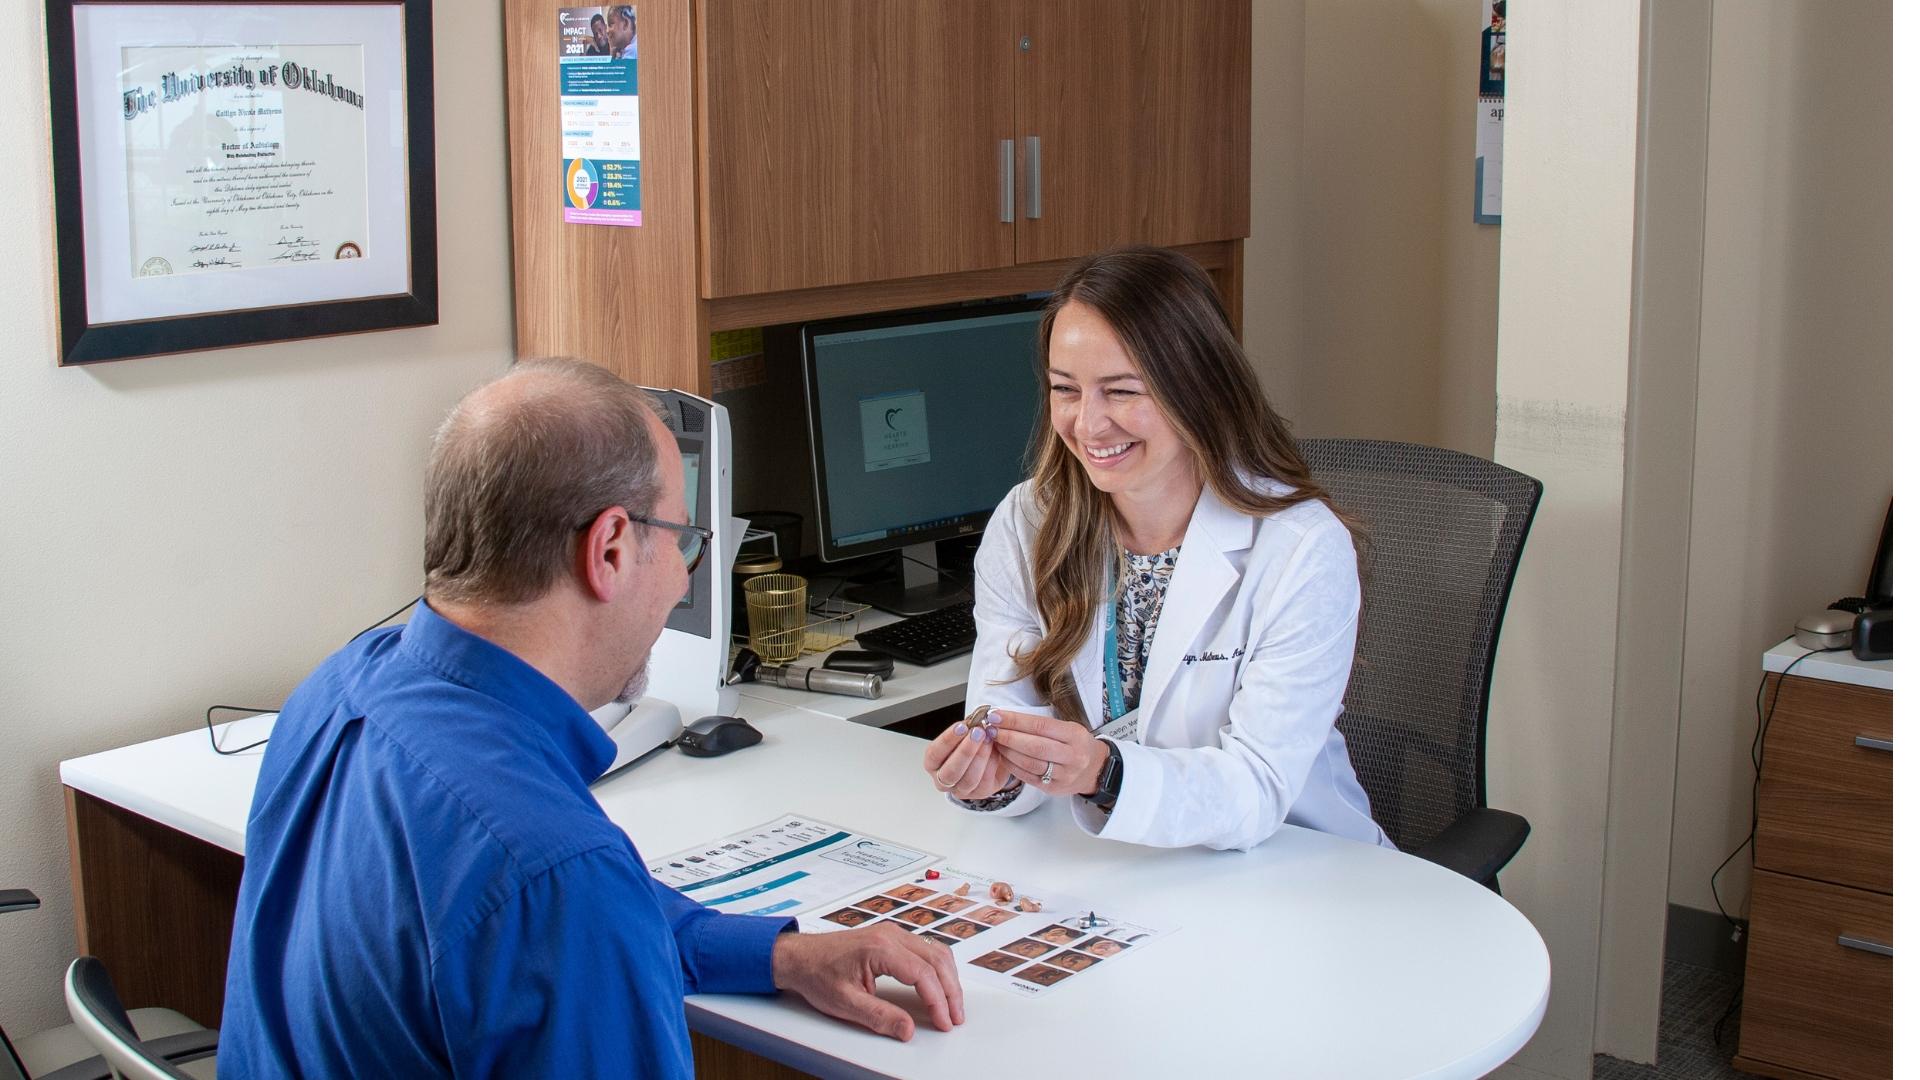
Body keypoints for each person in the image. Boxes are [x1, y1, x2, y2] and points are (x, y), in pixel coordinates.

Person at [220, 359, 963, 1078]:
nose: (680, 578)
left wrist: (778, 956)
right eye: (683, 540)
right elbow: (560, 910)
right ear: (608, 549)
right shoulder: (554, 871)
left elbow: (543, 931)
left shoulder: (337, 689)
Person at [921, 246, 1391, 853]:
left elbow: (1258, 786)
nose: (1088, 426)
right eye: (1066, 389)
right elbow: (1007, 711)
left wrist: (1103, 772)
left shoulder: (1301, 547)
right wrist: (994, 777)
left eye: (1120, 392)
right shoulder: (1028, 521)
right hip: (1124, 866)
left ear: (1196, 389)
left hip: (1294, 864)